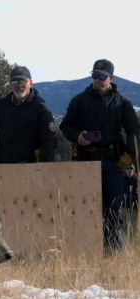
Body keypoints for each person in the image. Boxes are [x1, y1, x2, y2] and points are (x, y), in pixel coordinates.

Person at [59, 59, 139, 253]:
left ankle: (113, 255)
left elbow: (134, 131)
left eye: (101, 77)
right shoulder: (80, 100)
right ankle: (86, 253)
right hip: (86, 162)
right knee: (86, 209)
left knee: (113, 211)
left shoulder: (122, 103)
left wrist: (128, 157)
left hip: (114, 164)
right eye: (94, 76)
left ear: (111, 78)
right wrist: (77, 136)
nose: (97, 80)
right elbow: (65, 125)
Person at [0, 66, 57, 172]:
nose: (19, 86)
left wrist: (45, 168)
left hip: (33, 170)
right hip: (4, 169)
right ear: (10, 84)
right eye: (15, 82)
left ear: (31, 82)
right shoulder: (0, 106)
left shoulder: (41, 109)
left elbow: (49, 142)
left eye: (23, 82)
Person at [122, 164, 138, 237]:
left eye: (131, 168)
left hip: (134, 207)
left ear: (134, 170)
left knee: (134, 226)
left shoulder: (137, 180)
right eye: (127, 168)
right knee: (124, 226)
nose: (129, 170)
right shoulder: (121, 179)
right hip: (124, 207)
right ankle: (125, 243)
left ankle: (132, 243)